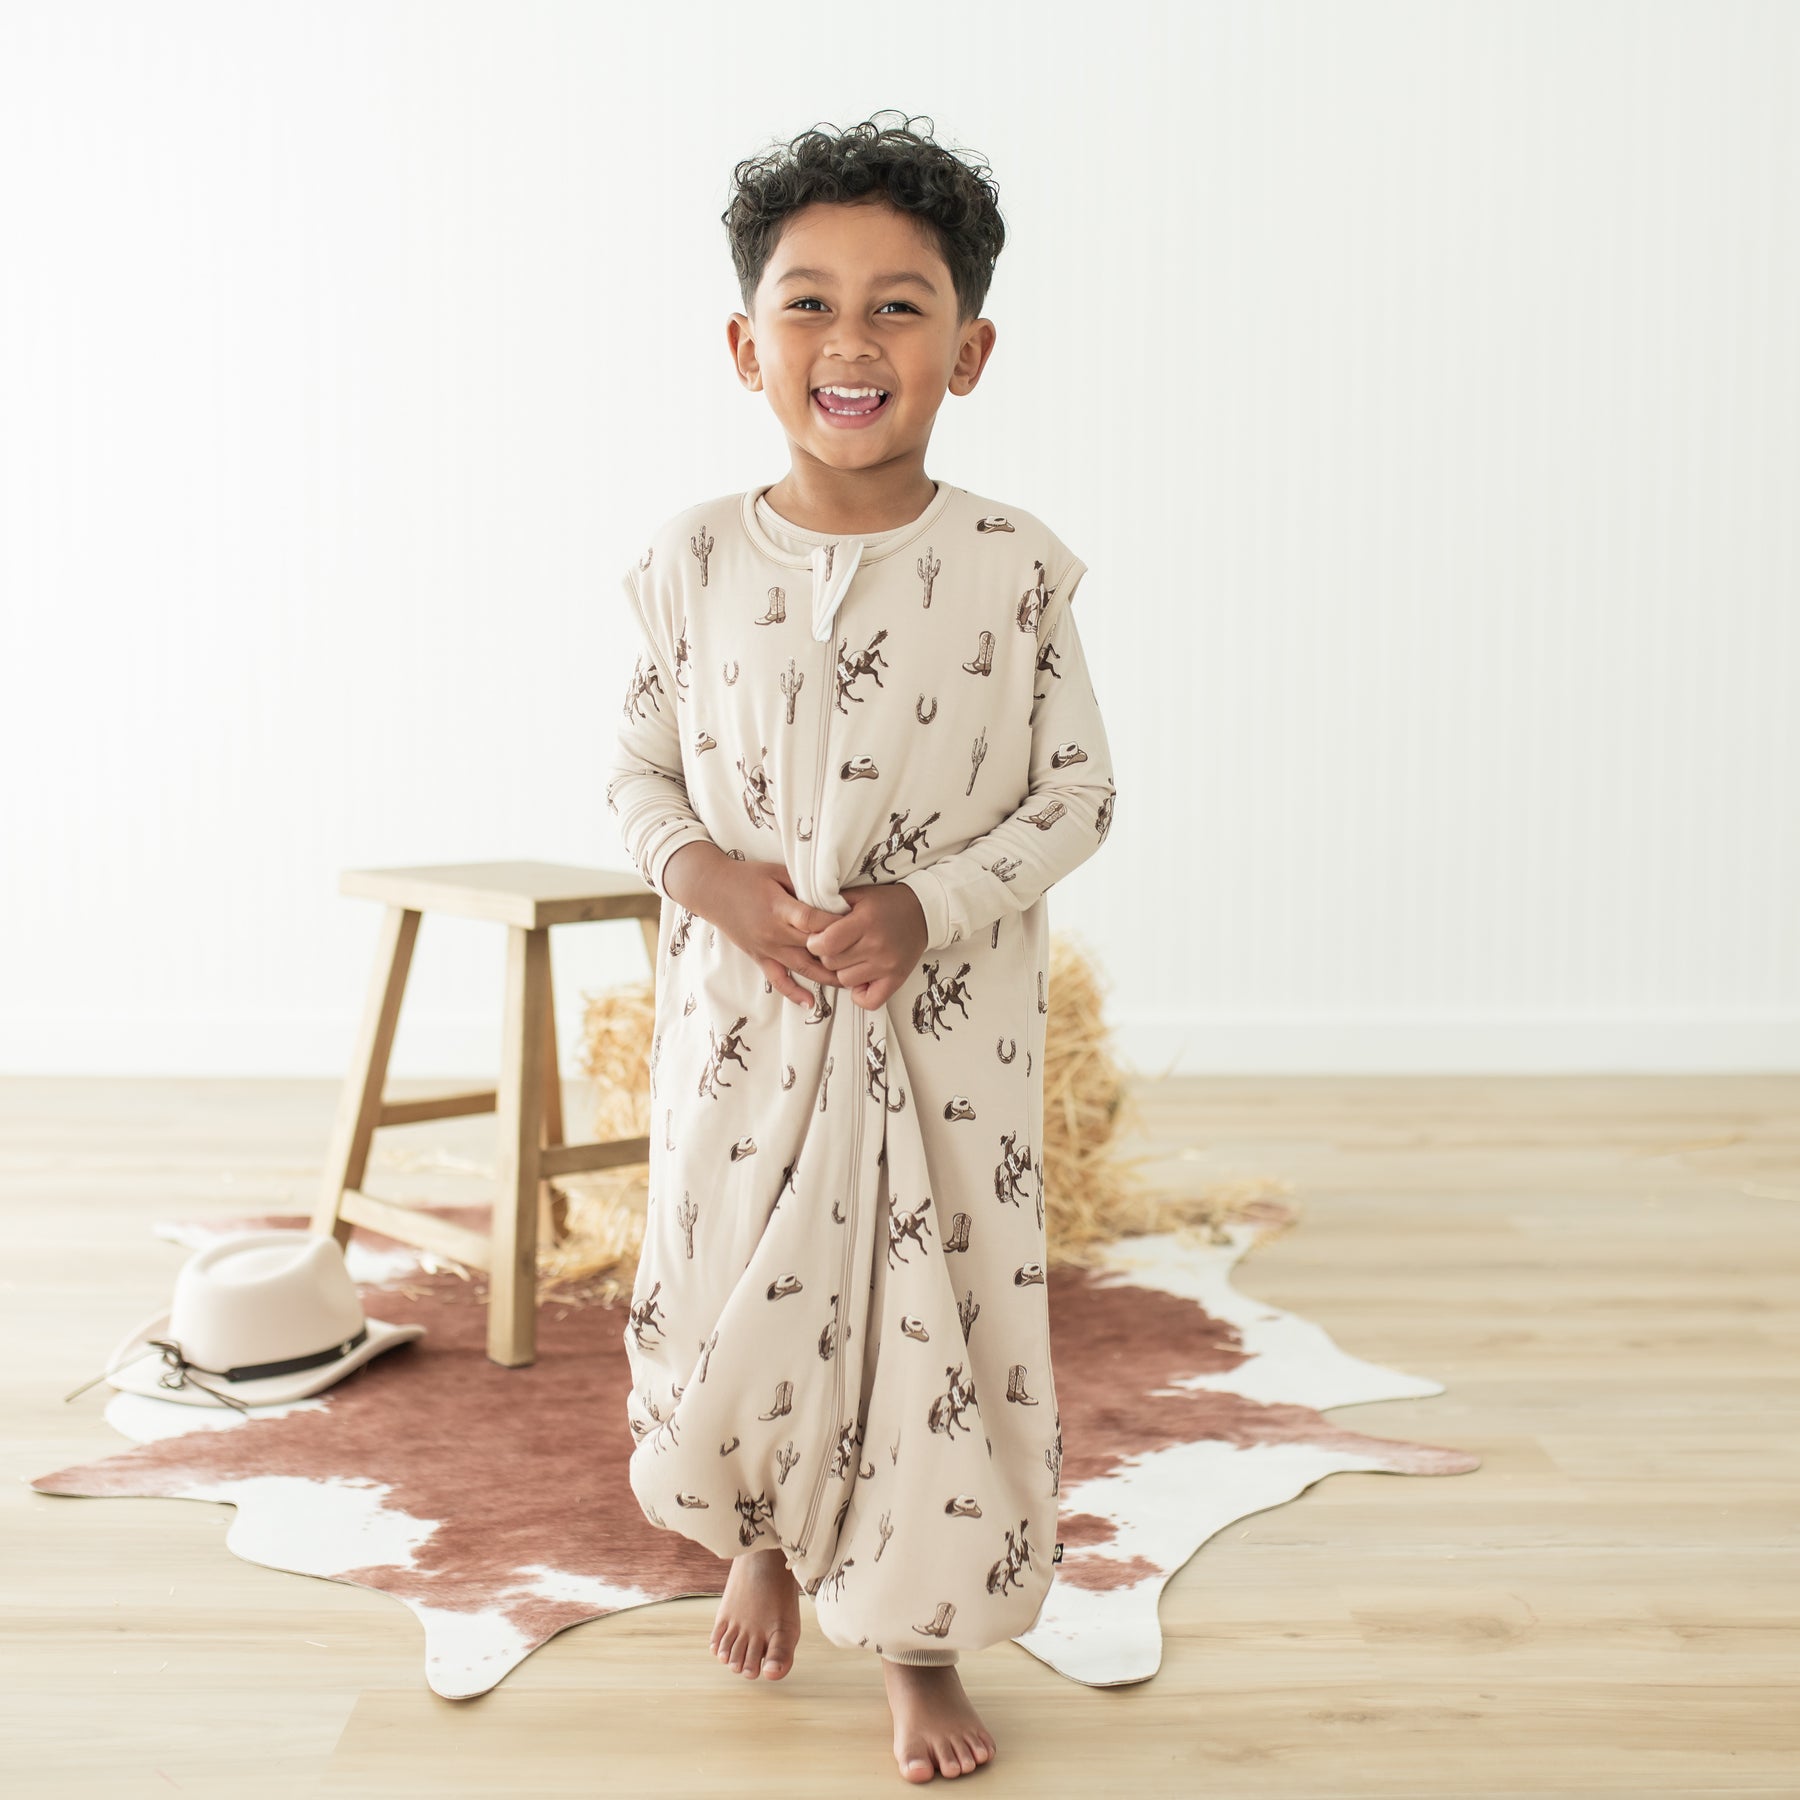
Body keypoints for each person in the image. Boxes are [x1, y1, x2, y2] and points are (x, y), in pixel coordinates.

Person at [605, 109, 1117, 1784]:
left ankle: (913, 1641)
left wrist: (927, 907)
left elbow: (1076, 799)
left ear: (969, 351)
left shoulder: (1013, 572)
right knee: (737, 1285)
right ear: (747, 342)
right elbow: (634, 771)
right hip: (745, 1029)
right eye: (810, 303)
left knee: (932, 1319)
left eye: (901, 306)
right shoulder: (687, 564)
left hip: (942, 1042)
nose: (852, 339)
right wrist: (712, 881)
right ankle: (758, 1530)